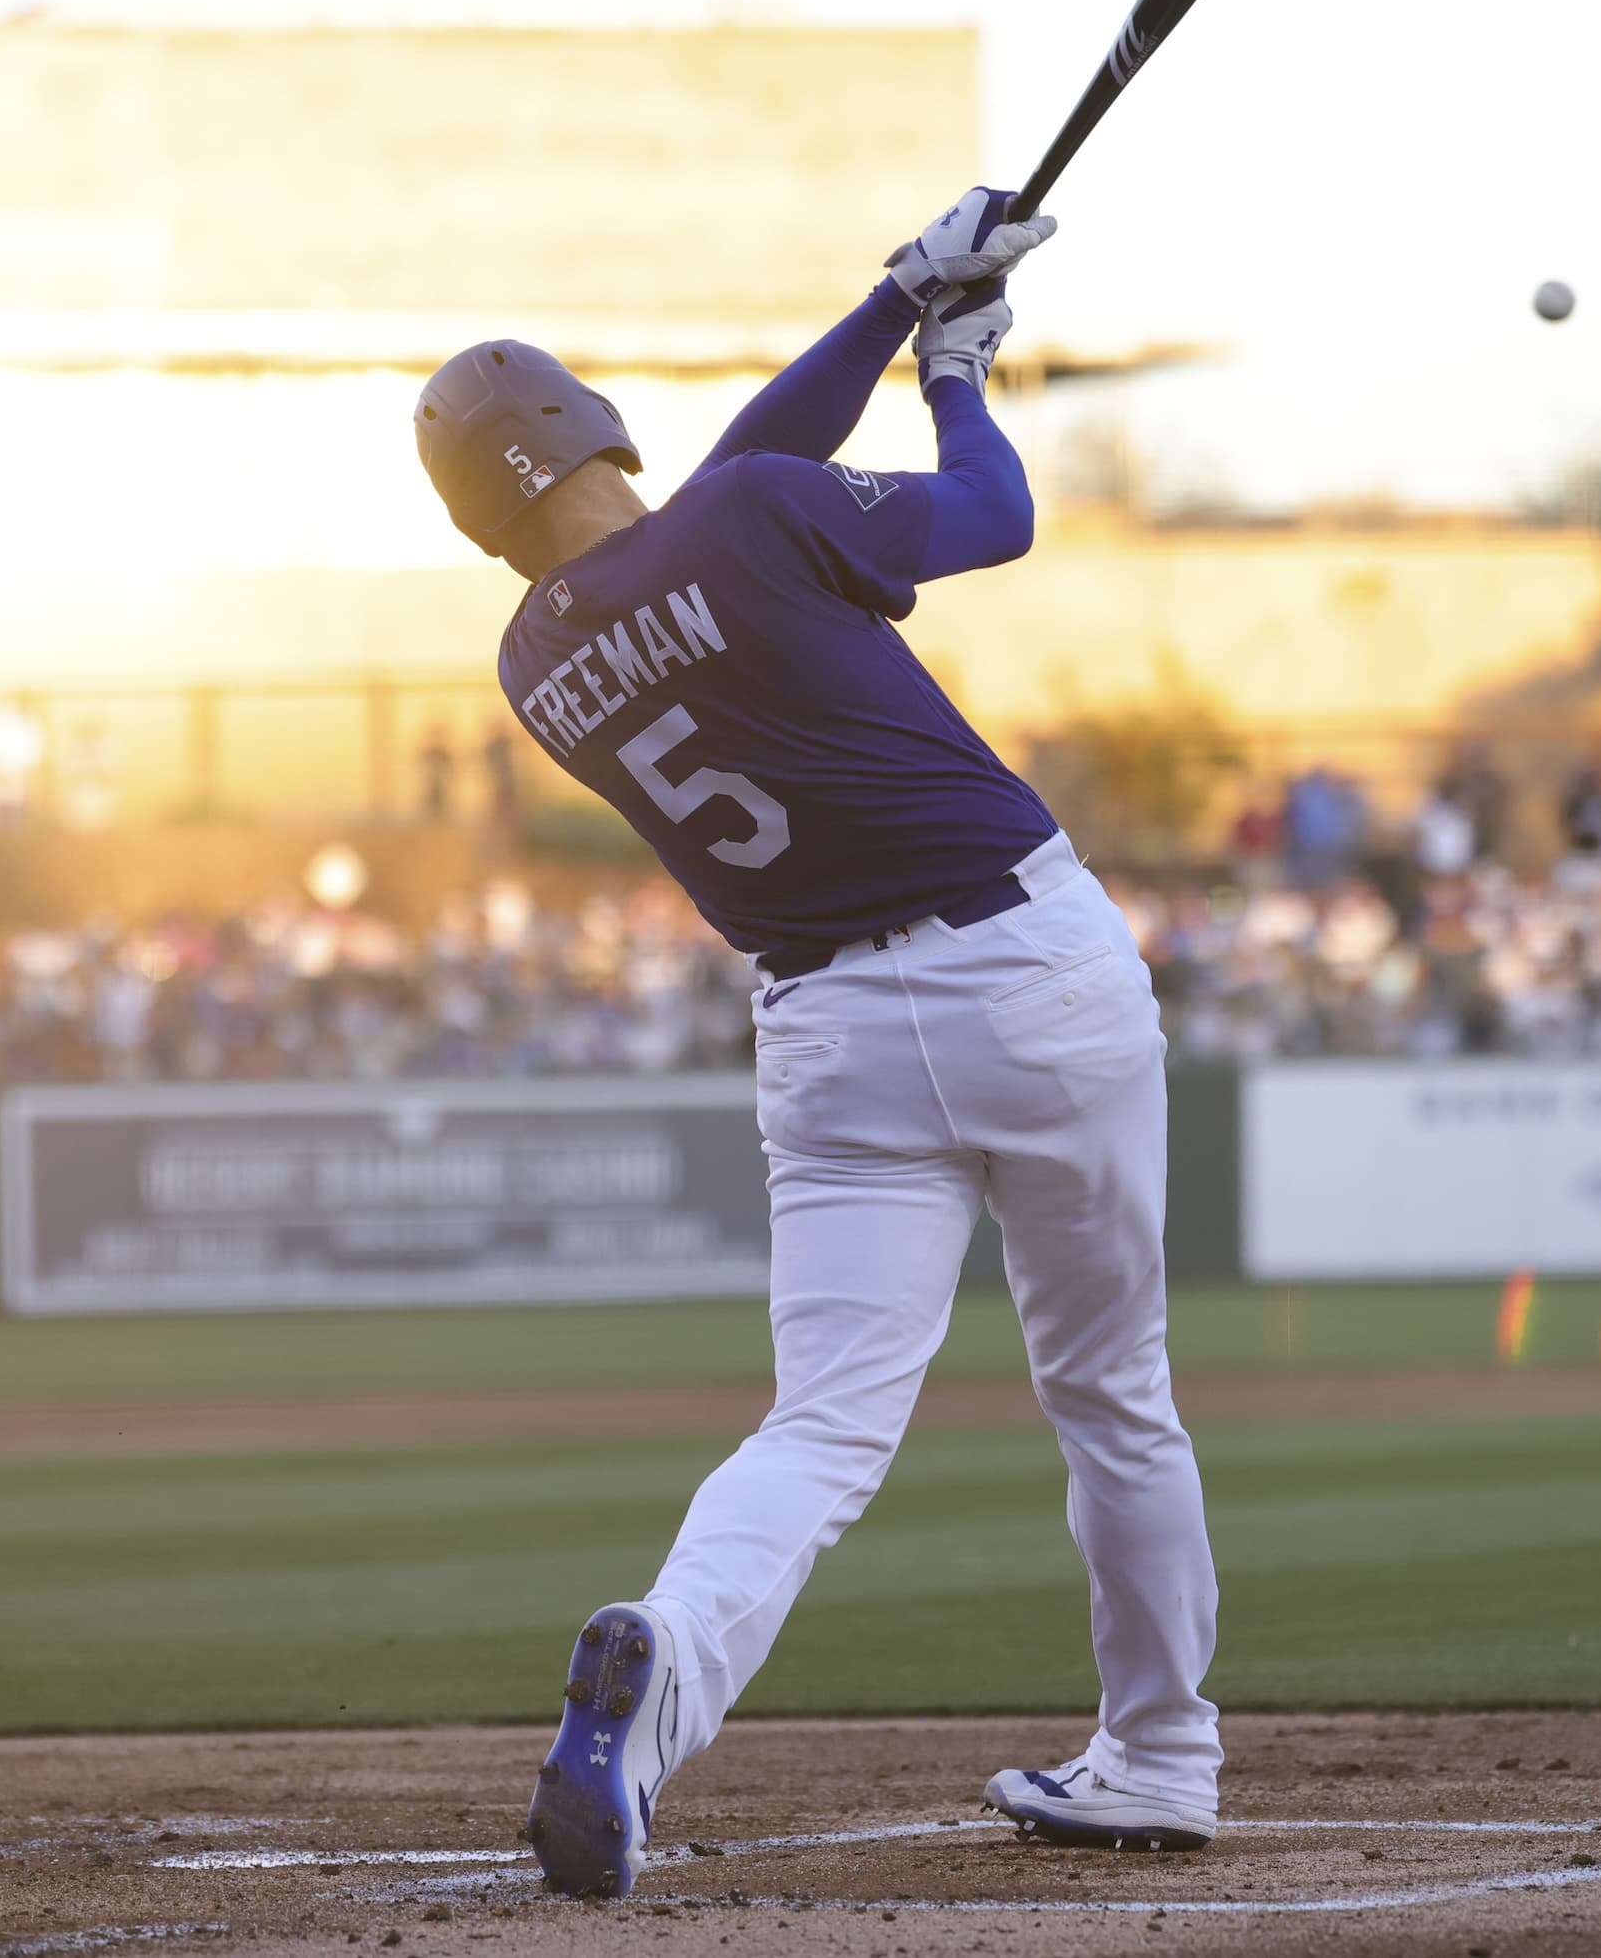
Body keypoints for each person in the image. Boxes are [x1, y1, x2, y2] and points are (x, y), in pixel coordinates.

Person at [411, 190, 1221, 1895]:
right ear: (588, 418)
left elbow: (724, 502)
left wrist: (890, 300)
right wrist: (952, 368)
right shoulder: (750, 516)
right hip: (1028, 972)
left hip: (832, 1033)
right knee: (1112, 1393)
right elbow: (988, 517)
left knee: (824, 1427)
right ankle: (1158, 1748)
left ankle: (649, 1702)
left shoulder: (534, 656)